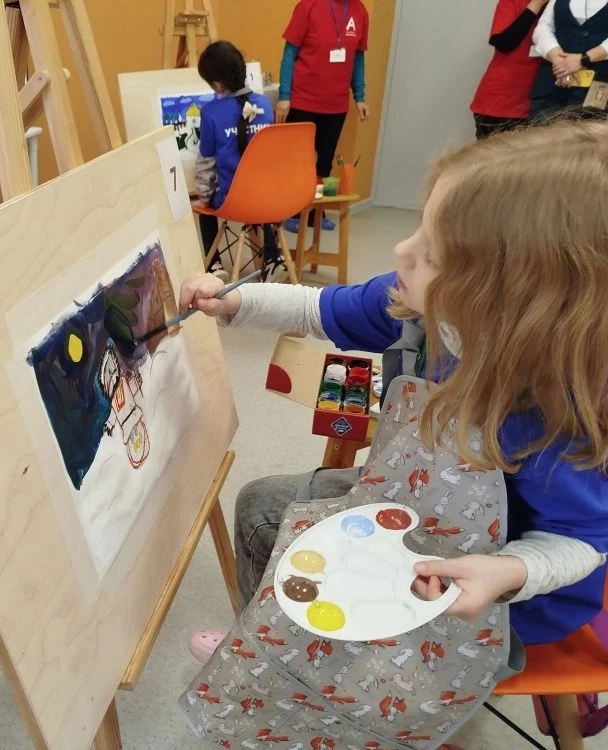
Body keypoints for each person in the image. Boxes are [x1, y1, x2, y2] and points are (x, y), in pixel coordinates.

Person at [182, 120, 608, 704]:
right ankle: (281, 648)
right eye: (419, 230)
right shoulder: (421, 302)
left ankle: (309, 679)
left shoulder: (556, 412)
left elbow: (583, 541)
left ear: (506, 300)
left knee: (290, 531)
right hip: (422, 505)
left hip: (498, 587)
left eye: (432, 254)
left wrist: (506, 573)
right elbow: (317, 309)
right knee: (263, 506)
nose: (401, 251)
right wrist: (234, 299)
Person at [276, 0, 370, 233]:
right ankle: (293, 211)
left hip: (336, 104)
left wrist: (359, 96)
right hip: (303, 99)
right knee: (299, 160)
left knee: (324, 162)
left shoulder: (360, 11)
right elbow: (289, 53)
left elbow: (358, 58)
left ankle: (315, 212)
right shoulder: (308, 6)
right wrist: (284, 95)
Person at [193, 41, 275, 276]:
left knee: (204, 207)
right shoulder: (264, 104)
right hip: (270, 197)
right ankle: (272, 256)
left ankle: (214, 265)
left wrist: (204, 198)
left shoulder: (211, 112)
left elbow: (206, 165)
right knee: (257, 195)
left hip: (233, 199)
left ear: (217, 84)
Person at [471, 0, 548, 139]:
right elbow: (504, 43)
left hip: (540, 105)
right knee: (494, 153)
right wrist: (537, 4)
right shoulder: (512, 2)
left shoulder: (563, 5)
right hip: (501, 104)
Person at [531, 0, 608, 119]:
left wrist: (583, 59)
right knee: (542, 127)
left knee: (591, 128)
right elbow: (542, 29)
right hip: (554, 80)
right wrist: (558, 59)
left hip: (599, 81)